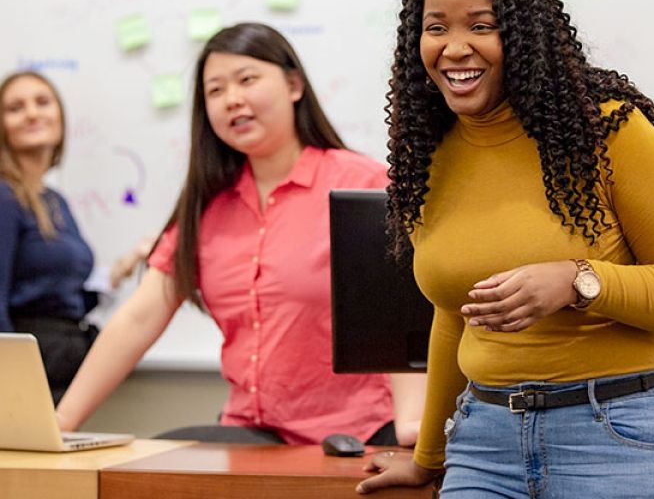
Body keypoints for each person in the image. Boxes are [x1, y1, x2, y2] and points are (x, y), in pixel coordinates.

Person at [357, 0, 654, 497]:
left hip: (617, 436)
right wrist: (428, 457)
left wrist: (579, 281)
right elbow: (452, 314)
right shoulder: (428, 156)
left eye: (481, 26)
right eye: (436, 28)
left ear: (525, 35)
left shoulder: (608, 132)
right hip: (483, 445)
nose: (455, 47)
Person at [56, 22, 424, 446]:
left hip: (355, 433)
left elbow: (405, 317)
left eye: (247, 80)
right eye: (215, 90)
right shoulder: (206, 207)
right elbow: (138, 319)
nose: (232, 99)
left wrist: (410, 428)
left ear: (293, 85)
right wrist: (60, 422)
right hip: (250, 431)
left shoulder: (362, 183)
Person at [0, 71, 147, 404]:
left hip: (62, 365)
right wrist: (11, 389)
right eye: (15, 107)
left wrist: (124, 267)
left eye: (43, 102)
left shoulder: (54, 201)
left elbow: (66, 299)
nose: (33, 113)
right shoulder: (4, 198)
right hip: (26, 374)